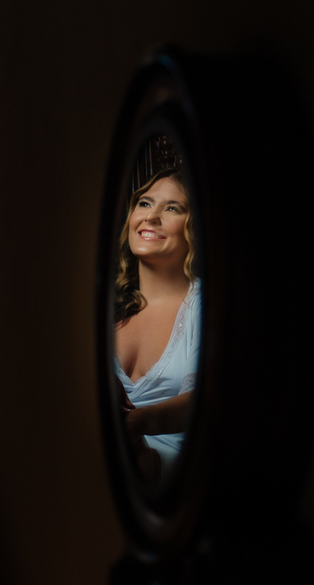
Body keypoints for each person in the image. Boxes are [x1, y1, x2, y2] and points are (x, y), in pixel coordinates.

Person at [113, 167, 201, 488]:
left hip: (179, 469)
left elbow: (212, 398)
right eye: (145, 203)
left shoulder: (204, 305)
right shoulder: (107, 307)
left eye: (172, 208)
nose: (151, 217)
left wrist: (138, 422)